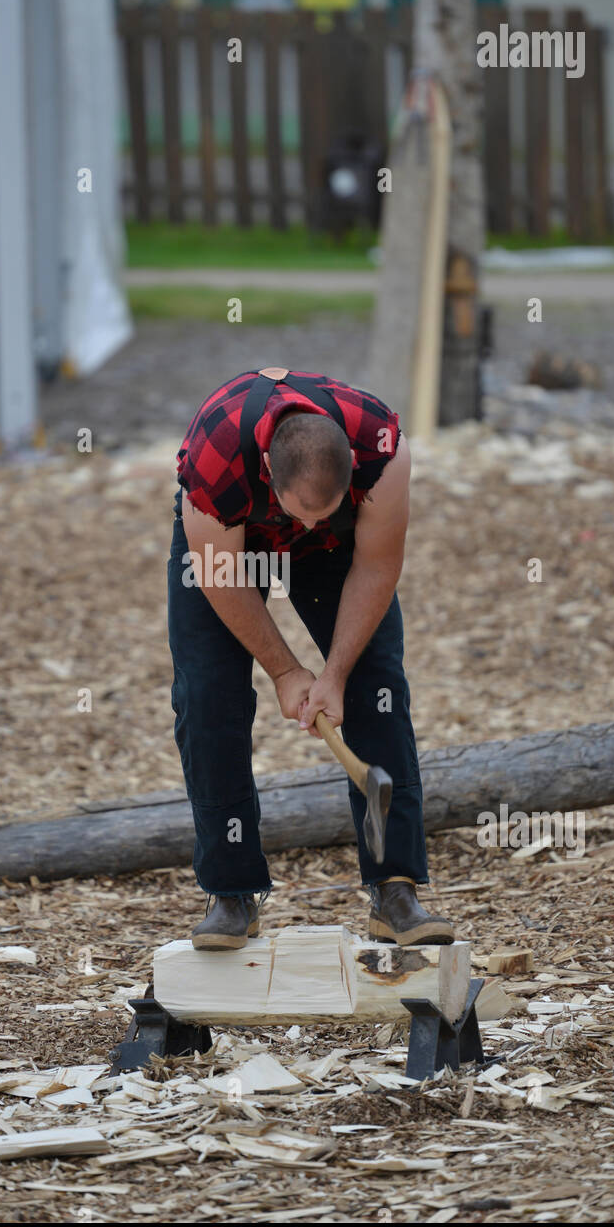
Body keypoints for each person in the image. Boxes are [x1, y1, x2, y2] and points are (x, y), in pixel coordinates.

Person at [168, 366, 454, 951]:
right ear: (268, 470)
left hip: (334, 555)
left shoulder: (381, 448)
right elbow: (222, 577)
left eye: (322, 512)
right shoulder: (215, 457)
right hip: (232, 546)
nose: (306, 526)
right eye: (299, 513)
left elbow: (375, 565)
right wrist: (284, 669)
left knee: (378, 688)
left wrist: (335, 673)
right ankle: (230, 894)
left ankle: (394, 887)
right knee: (208, 698)